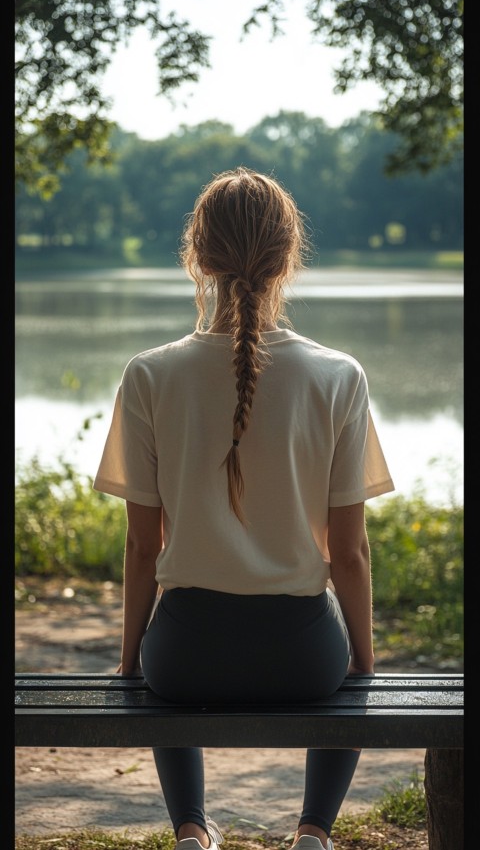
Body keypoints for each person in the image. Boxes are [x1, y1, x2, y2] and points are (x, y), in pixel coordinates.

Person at [93, 166, 395, 850]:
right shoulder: (339, 375)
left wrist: (130, 660)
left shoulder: (148, 373)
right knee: (353, 674)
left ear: (196, 256)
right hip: (304, 656)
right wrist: (364, 663)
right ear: (290, 256)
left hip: (184, 654)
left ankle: (192, 832)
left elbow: (144, 548)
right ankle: (314, 830)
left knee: (163, 648)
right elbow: (348, 553)